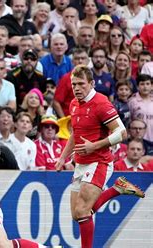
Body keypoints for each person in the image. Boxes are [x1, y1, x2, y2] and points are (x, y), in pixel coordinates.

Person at [55, 65, 145, 248]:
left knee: (82, 210)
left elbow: (122, 132)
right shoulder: (74, 103)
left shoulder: (101, 103)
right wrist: (62, 157)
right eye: (74, 84)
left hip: (99, 162)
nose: (77, 88)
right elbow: (75, 133)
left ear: (91, 83)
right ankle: (116, 189)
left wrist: (94, 146)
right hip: (80, 163)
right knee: (77, 214)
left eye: (81, 84)